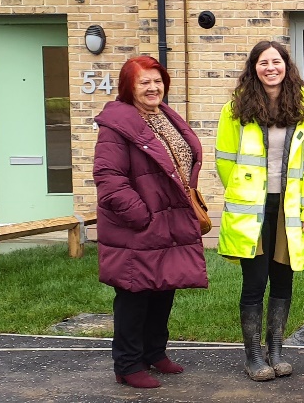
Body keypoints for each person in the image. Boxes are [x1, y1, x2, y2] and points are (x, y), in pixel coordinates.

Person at [215, 41, 304, 381]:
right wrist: (244, 194)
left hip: (288, 208)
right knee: (254, 281)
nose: (270, 68)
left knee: (283, 278)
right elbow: (225, 161)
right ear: (254, 68)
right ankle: (253, 357)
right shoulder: (235, 109)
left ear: (286, 66)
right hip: (253, 208)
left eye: (276, 61)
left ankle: (276, 351)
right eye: (263, 63)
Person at [93, 56, 208, 389]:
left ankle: (154, 352)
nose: (153, 87)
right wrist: (141, 216)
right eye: (144, 82)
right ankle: (127, 364)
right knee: (134, 294)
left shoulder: (164, 117)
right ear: (129, 86)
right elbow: (108, 178)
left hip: (169, 222)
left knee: (163, 289)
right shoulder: (117, 126)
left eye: (157, 81)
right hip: (138, 226)